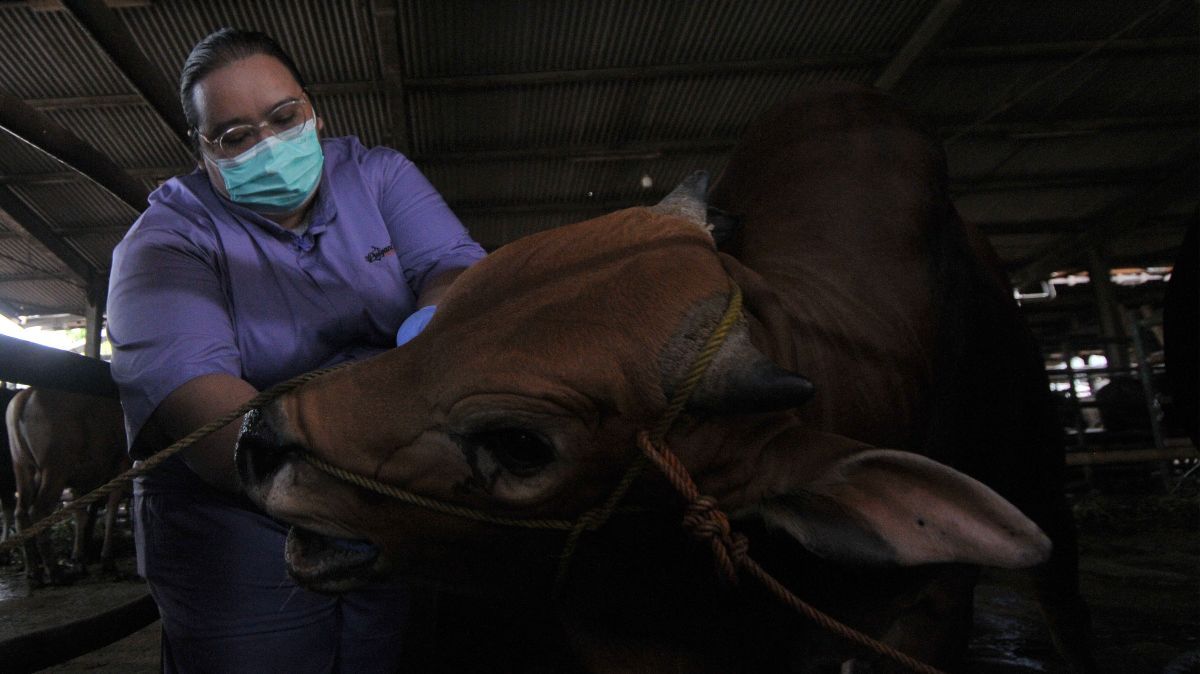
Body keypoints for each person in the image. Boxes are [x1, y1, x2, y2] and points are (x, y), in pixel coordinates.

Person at [106, 27, 486, 673]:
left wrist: (433, 329)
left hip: (397, 481)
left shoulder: (376, 175)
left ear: (313, 110)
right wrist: (355, 487)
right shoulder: (163, 243)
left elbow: (453, 268)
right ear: (201, 151)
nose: (270, 145)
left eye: (284, 117)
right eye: (235, 136)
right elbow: (209, 415)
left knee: (386, 651)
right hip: (244, 505)